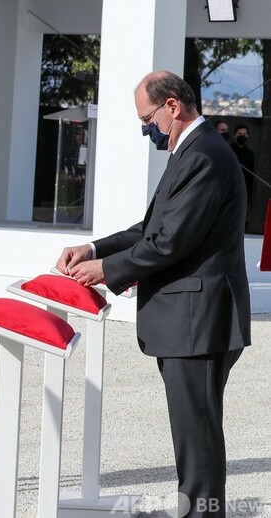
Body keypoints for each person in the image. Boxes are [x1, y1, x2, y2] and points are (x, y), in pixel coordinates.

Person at [56, 71, 250, 518]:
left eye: (148, 119)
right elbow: (150, 229)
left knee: (197, 437)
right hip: (192, 317)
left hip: (198, 318)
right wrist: (93, 248)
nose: (147, 129)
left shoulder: (203, 155)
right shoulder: (191, 152)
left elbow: (170, 242)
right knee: (194, 434)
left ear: (173, 107)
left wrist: (104, 270)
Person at [230, 124, 255, 206]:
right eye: (240, 134)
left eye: (245, 134)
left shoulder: (250, 154)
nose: (242, 136)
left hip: (245, 191)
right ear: (234, 135)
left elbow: (251, 175)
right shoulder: (229, 150)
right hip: (231, 190)